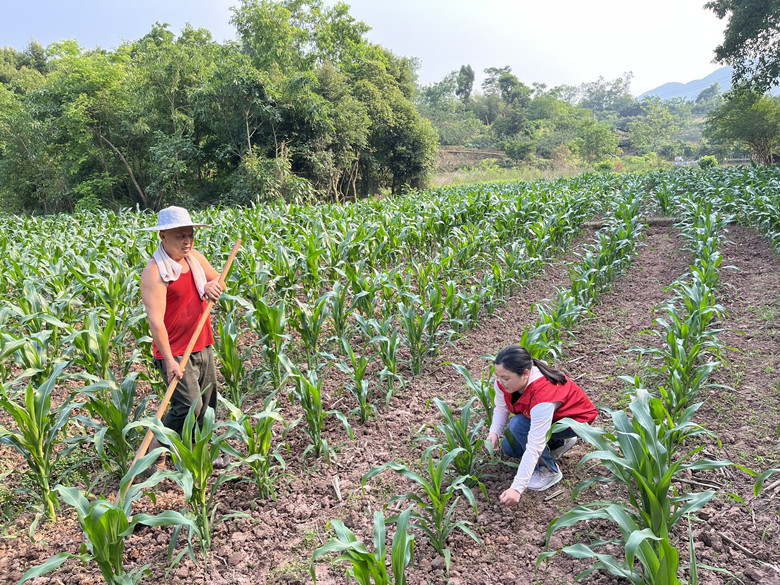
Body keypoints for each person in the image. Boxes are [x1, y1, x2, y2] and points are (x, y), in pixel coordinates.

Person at [139, 206, 229, 468]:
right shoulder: (155, 272)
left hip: (203, 342)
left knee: (207, 404)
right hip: (176, 350)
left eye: (190, 235)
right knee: (188, 406)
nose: (187, 241)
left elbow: (218, 281)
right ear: (163, 236)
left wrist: (214, 286)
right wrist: (168, 361)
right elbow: (156, 322)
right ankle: (156, 448)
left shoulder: (195, 259)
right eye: (180, 236)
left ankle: (198, 452)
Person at [486, 345, 597, 507]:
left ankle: (550, 471)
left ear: (525, 374)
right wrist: (494, 432)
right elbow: (501, 408)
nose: (501, 382)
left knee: (518, 425)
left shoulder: (543, 393)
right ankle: (558, 444)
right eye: (498, 376)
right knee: (510, 448)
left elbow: (534, 445)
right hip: (549, 419)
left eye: (506, 378)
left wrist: (517, 488)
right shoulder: (507, 383)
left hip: (573, 422)